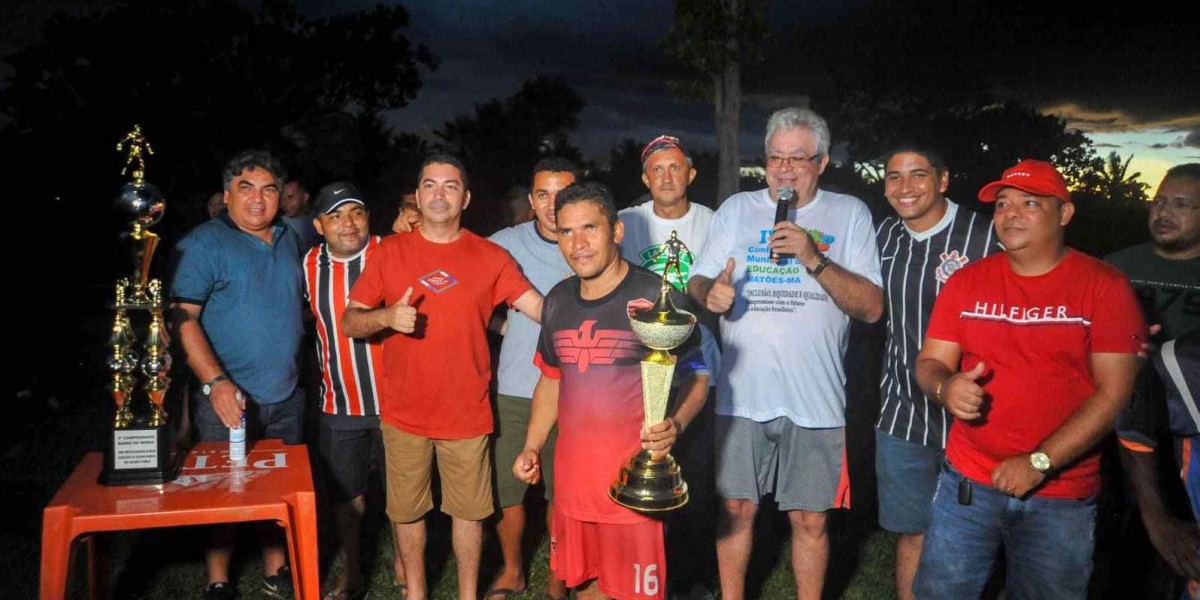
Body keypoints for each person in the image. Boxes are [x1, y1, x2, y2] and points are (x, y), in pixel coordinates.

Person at [911, 159, 1148, 600]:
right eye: (1002, 204)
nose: (1011, 214)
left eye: (1030, 203)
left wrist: (1040, 462)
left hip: (1061, 493)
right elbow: (929, 362)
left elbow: (1116, 393)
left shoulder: (1105, 286)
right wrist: (946, 387)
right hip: (967, 482)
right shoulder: (966, 282)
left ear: (1065, 213)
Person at [688, 107, 883, 600]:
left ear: (822, 162)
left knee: (810, 519)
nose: (785, 170)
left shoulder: (850, 213)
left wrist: (813, 257)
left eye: (798, 158)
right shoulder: (737, 209)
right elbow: (698, 279)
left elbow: (871, 307)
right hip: (741, 395)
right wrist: (710, 292)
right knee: (736, 509)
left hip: (816, 398)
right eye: (776, 157)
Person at [342, 154, 543, 600]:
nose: (439, 194)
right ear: (417, 195)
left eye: (450, 186)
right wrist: (386, 317)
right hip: (403, 413)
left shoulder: (490, 256)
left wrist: (596, 308)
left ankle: (467, 595)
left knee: (469, 512)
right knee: (406, 511)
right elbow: (350, 321)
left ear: (465, 198)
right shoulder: (389, 252)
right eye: (430, 185)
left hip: (467, 412)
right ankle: (416, 592)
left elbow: (537, 306)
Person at [514, 181, 709, 600]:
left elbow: (698, 375)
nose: (578, 244)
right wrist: (532, 445)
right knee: (584, 588)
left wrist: (676, 423)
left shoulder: (657, 298)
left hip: (633, 488)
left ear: (616, 231)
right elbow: (551, 379)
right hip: (573, 485)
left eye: (590, 228)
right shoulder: (557, 300)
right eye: (566, 232)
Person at [169, 149, 306, 600]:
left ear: (281, 197)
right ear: (227, 194)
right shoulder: (203, 243)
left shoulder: (289, 237)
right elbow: (183, 317)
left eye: (268, 189)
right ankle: (218, 579)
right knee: (225, 492)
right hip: (226, 398)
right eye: (246, 188)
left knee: (278, 490)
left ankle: (275, 569)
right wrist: (215, 382)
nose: (258, 199)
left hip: (286, 393)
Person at [873, 143, 999, 600]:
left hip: (977, 412)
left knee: (981, 537)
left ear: (943, 180)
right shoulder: (883, 235)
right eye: (894, 177)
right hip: (902, 412)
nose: (905, 187)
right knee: (913, 532)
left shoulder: (987, 235)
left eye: (918, 174)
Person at [618, 134, 719, 597]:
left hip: (698, 361)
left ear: (691, 174)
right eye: (656, 169)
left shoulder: (714, 222)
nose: (666, 177)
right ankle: (636, 570)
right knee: (640, 462)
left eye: (675, 167)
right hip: (636, 366)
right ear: (645, 178)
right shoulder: (625, 221)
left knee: (693, 468)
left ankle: (690, 577)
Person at [303, 181, 406, 600]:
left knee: (403, 496)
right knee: (348, 498)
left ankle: (405, 569)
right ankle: (352, 574)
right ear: (318, 225)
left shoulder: (391, 249)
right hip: (340, 402)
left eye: (356, 212)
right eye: (335, 215)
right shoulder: (308, 264)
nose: (348, 223)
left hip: (398, 402)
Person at [485, 158, 577, 600]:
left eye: (563, 193)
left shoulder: (589, 240)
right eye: (543, 194)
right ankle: (512, 570)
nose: (553, 204)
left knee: (564, 495)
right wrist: (503, 326)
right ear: (531, 199)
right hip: (516, 388)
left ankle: (557, 579)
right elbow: (463, 289)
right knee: (508, 489)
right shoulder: (504, 243)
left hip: (576, 394)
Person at [1109, 163, 1200, 596]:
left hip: (1188, 436)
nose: (1164, 212)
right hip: (1121, 428)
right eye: (1159, 201)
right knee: (1123, 552)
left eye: (1181, 204)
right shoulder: (1117, 266)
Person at [282, 179, 321, 249]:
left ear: (305, 197)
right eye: (282, 198)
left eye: (290, 197)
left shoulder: (319, 219)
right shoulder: (280, 226)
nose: (284, 202)